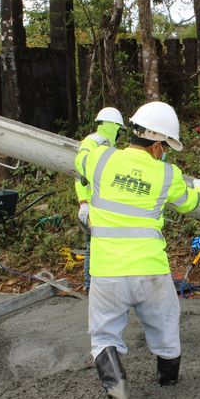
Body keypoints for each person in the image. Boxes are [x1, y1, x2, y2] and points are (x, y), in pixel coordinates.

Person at [75, 101, 200, 399]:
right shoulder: (166, 174)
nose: (164, 153)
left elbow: (82, 155)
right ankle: (169, 382)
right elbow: (188, 202)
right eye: (164, 147)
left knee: (103, 336)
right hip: (150, 270)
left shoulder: (101, 159)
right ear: (156, 146)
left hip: (107, 272)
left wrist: (101, 134)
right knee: (166, 324)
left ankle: (119, 396)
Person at [74, 107, 125, 291]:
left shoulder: (107, 147)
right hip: (92, 207)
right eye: (119, 131)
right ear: (114, 127)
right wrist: (83, 203)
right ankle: (90, 285)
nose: (120, 135)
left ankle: (100, 284)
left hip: (102, 207)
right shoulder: (92, 142)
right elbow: (80, 174)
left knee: (101, 246)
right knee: (93, 247)